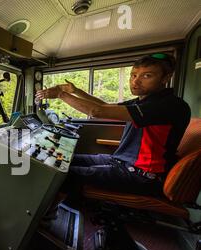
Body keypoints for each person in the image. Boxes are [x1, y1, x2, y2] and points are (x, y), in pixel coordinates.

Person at [35, 53, 191, 209]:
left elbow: (97, 111)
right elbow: (105, 106)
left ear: (165, 78)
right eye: (134, 75)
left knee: (63, 175)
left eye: (147, 75)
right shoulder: (143, 101)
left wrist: (61, 95)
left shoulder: (168, 105)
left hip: (142, 175)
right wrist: (76, 91)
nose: (135, 81)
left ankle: (46, 216)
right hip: (120, 162)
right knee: (64, 159)